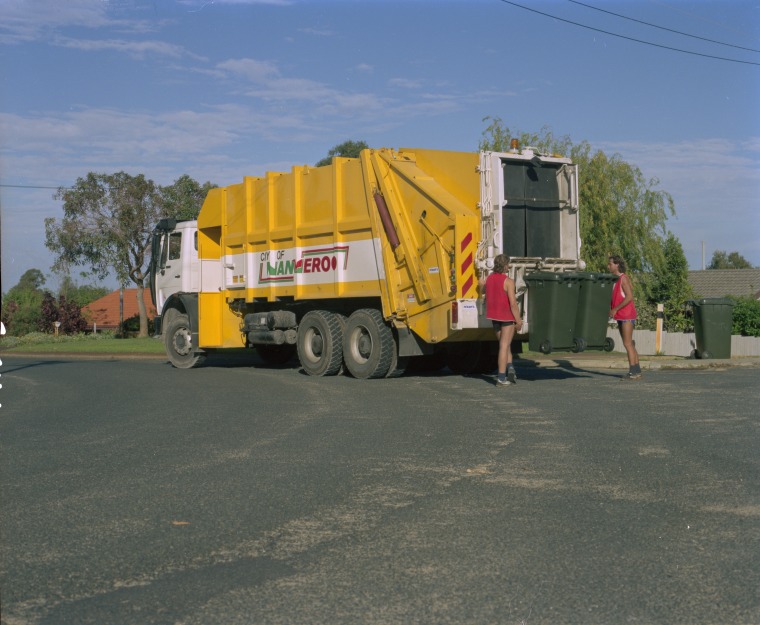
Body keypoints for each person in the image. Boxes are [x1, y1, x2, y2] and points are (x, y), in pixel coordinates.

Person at [482, 254, 523, 386]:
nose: (509, 266)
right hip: (506, 317)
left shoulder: (489, 279)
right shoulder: (508, 281)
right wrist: (518, 321)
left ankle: (510, 367)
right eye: (508, 264)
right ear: (505, 265)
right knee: (504, 346)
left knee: (504, 345)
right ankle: (501, 378)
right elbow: (513, 304)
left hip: (494, 317)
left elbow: (482, 288)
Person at [608, 254, 641, 380]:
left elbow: (629, 296)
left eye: (610, 264)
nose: (608, 266)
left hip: (626, 314)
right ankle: (637, 370)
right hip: (621, 315)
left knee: (627, 343)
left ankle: (633, 371)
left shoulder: (623, 278)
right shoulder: (616, 280)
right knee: (629, 343)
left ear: (617, 264)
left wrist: (615, 309)